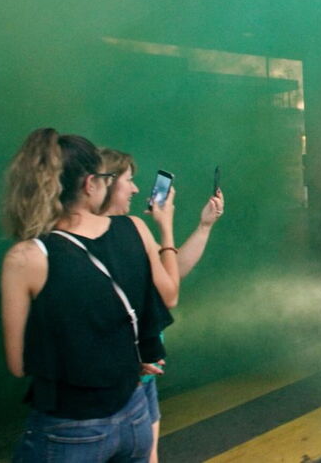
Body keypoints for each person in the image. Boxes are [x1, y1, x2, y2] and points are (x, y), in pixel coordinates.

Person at [0, 128, 176, 462]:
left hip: (68, 429)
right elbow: (155, 311)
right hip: (135, 416)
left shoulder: (26, 257)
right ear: (90, 183)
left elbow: (19, 363)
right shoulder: (135, 229)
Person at [99, 148, 224, 462]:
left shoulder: (130, 229)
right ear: (104, 183)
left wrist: (204, 225)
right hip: (111, 383)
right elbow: (170, 295)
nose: (136, 189)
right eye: (129, 180)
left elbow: (172, 272)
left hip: (143, 375)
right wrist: (165, 225)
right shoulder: (96, 238)